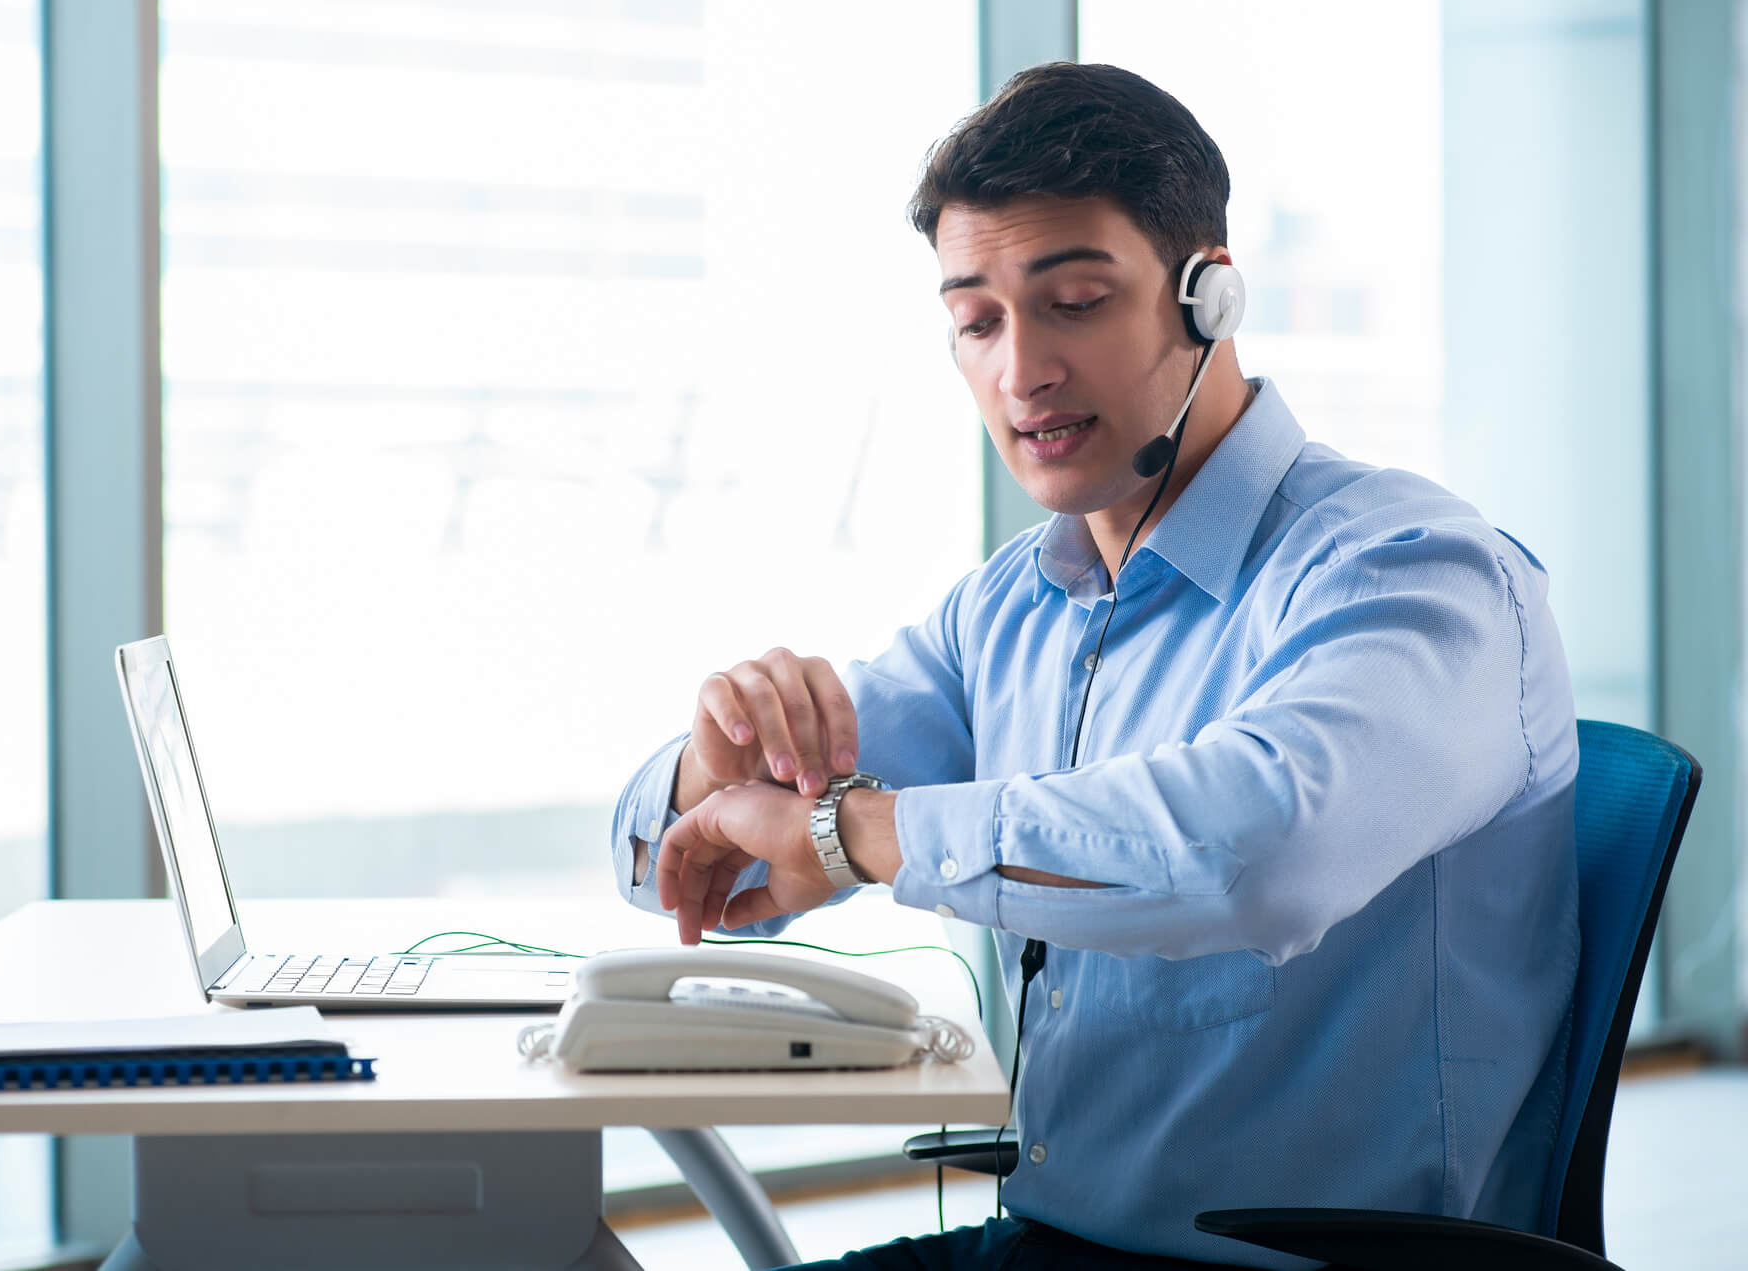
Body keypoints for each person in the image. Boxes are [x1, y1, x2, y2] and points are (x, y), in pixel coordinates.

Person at [610, 62, 1578, 1270]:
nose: (1020, 371)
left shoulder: (1414, 573)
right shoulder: (1015, 601)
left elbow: (1253, 850)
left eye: (1072, 301)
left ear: (1207, 297)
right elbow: (678, 872)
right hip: (1046, 1246)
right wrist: (713, 775)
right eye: (976, 322)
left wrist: (846, 834)